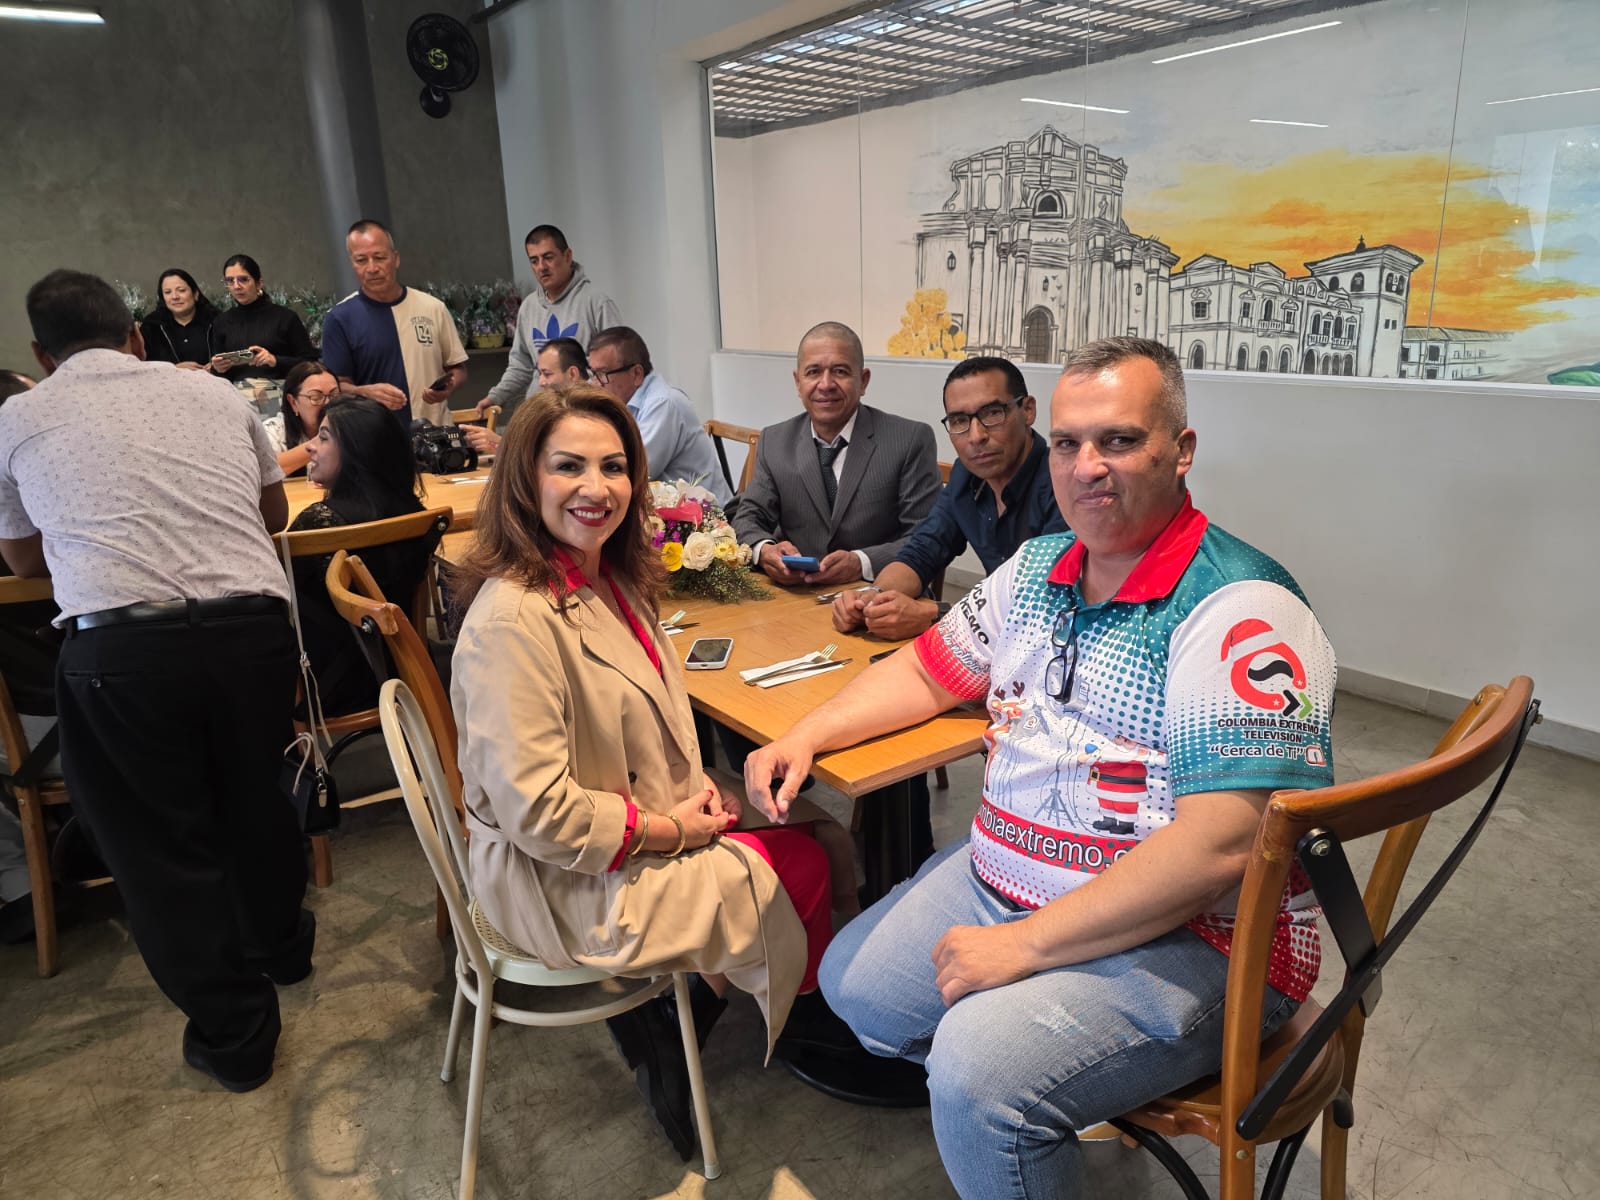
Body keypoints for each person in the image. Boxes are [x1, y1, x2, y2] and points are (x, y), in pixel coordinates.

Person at [747, 337, 1338, 1199]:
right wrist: (807, 734)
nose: (1086, 466)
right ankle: (1041, 1091)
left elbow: (1225, 845)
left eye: (1119, 440)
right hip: (1012, 878)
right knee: (853, 984)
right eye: (1068, 443)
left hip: (1203, 939)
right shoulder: (1035, 569)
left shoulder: (1240, 606)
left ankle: (1016, 1098)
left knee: (975, 1075)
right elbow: (925, 672)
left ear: (1181, 450)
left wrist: (1024, 949)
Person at [448, 384, 913, 1160]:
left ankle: (717, 1005)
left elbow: (643, 722)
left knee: (818, 832)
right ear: (525, 478)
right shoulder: (512, 622)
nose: (597, 487)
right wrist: (670, 828)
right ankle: (780, 1021)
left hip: (620, 810)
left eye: (613, 467)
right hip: (557, 878)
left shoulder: (608, 575)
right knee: (798, 864)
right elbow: (540, 816)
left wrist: (692, 791)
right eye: (569, 466)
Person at [0, 269, 312, 1092]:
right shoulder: (213, 394)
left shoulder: (18, 416)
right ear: (136, 336)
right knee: (254, 794)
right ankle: (284, 950)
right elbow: (273, 516)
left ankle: (237, 1037)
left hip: (122, 651)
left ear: (41, 354)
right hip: (253, 632)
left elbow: (23, 560)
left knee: (157, 848)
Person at [832, 355, 1066, 641]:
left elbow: (1046, 606)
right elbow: (924, 550)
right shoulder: (966, 476)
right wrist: (872, 599)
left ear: (1027, 410)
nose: (976, 436)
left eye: (993, 413)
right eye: (959, 421)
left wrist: (936, 615)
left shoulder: (1065, 482)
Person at [733, 320, 941, 587]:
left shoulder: (909, 440)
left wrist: (861, 562)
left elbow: (926, 536)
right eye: (813, 372)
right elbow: (748, 517)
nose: (826, 384)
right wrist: (764, 550)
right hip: (796, 593)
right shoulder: (774, 441)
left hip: (879, 593)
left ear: (863, 381)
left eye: (840, 371)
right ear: (798, 382)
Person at [287, 397, 438, 716]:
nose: (310, 446)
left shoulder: (319, 522)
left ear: (356, 451)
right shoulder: (416, 514)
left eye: (323, 438)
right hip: (407, 674)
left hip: (330, 689)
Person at [319, 218, 469, 427]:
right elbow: (334, 388)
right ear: (352, 264)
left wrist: (448, 385)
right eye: (361, 260)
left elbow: (458, 369)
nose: (372, 268)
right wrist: (364, 392)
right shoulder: (340, 318)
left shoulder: (433, 308)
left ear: (396, 259)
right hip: (375, 435)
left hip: (435, 432)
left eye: (379, 257)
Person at [475, 224, 621, 416]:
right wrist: (495, 397)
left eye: (548, 257)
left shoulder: (597, 303)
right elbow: (521, 365)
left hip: (584, 414)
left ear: (567, 256)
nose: (541, 267)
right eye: (534, 261)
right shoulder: (528, 307)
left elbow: (614, 367)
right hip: (540, 413)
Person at [588, 326, 730, 506]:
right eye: (593, 374)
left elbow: (633, 472)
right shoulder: (623, 402)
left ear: (636, 373)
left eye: (602, 374)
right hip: (664, 509)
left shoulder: (664, 403)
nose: (595, 384)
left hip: (705, 516)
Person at [208, 254, 317, 413]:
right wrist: (218, 368)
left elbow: (310, 362)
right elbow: (219, 375)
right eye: (230, 281)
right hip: (237, 398)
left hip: (281, 393)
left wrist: (275, 360)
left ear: (259, 283)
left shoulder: (284, 317)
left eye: (243, 279)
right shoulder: (222, 322)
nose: (236, 286)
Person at [460, 337, 587, 459]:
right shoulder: (548, 408)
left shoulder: (586, 412)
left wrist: (501, 445)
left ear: (572, 373)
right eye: (539, 374)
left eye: (547, 374)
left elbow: (555, 458)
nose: (541, 382)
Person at [263, 360, 339, 477]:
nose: (328, 403)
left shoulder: (350, 427)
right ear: (293, 402)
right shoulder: (273, 431)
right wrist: (322, 440)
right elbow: (266, 470)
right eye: (316, 397)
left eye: (334, 395)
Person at [139, 268, 219, 368]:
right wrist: (173, 369)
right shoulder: (151, 326)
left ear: (195, 294)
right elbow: (142, 367)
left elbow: (232, 359)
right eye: (167, 292)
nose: (175, 297)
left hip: (212, 378)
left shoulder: (218, 321)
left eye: (181, 290)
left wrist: (217, 368)